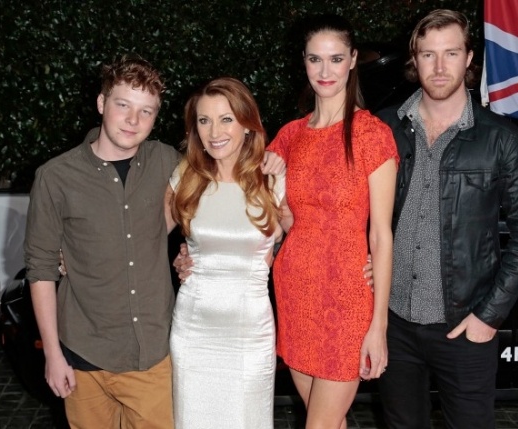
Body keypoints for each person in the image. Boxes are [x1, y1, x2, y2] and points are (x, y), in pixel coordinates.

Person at [375, 9, 518, 429]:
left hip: (466, 324)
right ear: (414, 59)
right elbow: (354, 208)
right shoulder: (384, 128)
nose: (439, 66)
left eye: (450, 53)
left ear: (468, 58)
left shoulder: (501, 138)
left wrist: (489, 315)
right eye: (428, 54)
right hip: (392, 323)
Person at [24, 55, 178, 428]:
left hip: (151, 357)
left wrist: (191, 252)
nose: (133, 120)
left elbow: (216, 183)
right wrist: (53, 355)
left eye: (146, 111)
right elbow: (41, 269)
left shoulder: (166, 161)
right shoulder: (55, 177)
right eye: (123, 105)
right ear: (101, 103)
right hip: (83, 357)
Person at [267, 14, 398, 428]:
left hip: (346, 301)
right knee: (328, 421)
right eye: (315, 59)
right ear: (303, 62)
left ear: (353, 60)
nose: (325, 71)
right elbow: (278, 216)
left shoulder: (372, 135)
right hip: (296, 291)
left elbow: (381, 235)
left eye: (336, 59)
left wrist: (378, 327)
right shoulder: (289, 136)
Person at [164, 77, 284, 429]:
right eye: (204, 120)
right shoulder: (185, 177)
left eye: (226, 119)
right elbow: (142, 238)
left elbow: (317, 238)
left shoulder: (273, 179)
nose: (214, 132)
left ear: (247, 124)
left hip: (250, 333)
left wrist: (366, 262)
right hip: (193, 329)